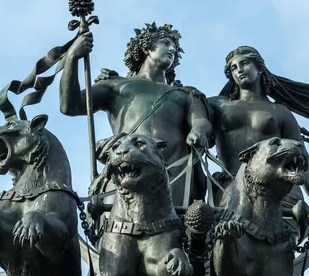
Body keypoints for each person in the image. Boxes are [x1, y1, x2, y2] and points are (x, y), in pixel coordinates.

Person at [60, 22, 212, 206]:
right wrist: (72, 58)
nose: (171, 48)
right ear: (146, 47)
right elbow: (70, 105)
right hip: (127, 166)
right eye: (165, 42)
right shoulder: (116, 86)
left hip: (173, 169)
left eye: (174, 47)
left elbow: (201, 121)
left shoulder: (185, 94)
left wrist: (199, 130)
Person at [209, 46, 309, 208]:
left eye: (244, 63)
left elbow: (303, 159)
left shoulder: (280, 111)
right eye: (234, 68)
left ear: (260, 68)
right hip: (233, 186)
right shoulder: (218, 105)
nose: (239, 70)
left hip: (280, 189)